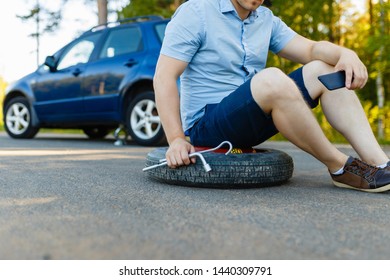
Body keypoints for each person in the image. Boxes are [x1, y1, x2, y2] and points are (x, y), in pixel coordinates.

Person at [153, 0, 390, 192]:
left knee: (325, 68)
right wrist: (176, 139)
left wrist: (345, 53)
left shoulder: (265, 19)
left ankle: (381, 164)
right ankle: (339, 167)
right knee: (272, 78)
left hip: (248, 120)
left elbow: (310, 49)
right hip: (206, 126)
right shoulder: (196, 12)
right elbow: (164, 77)